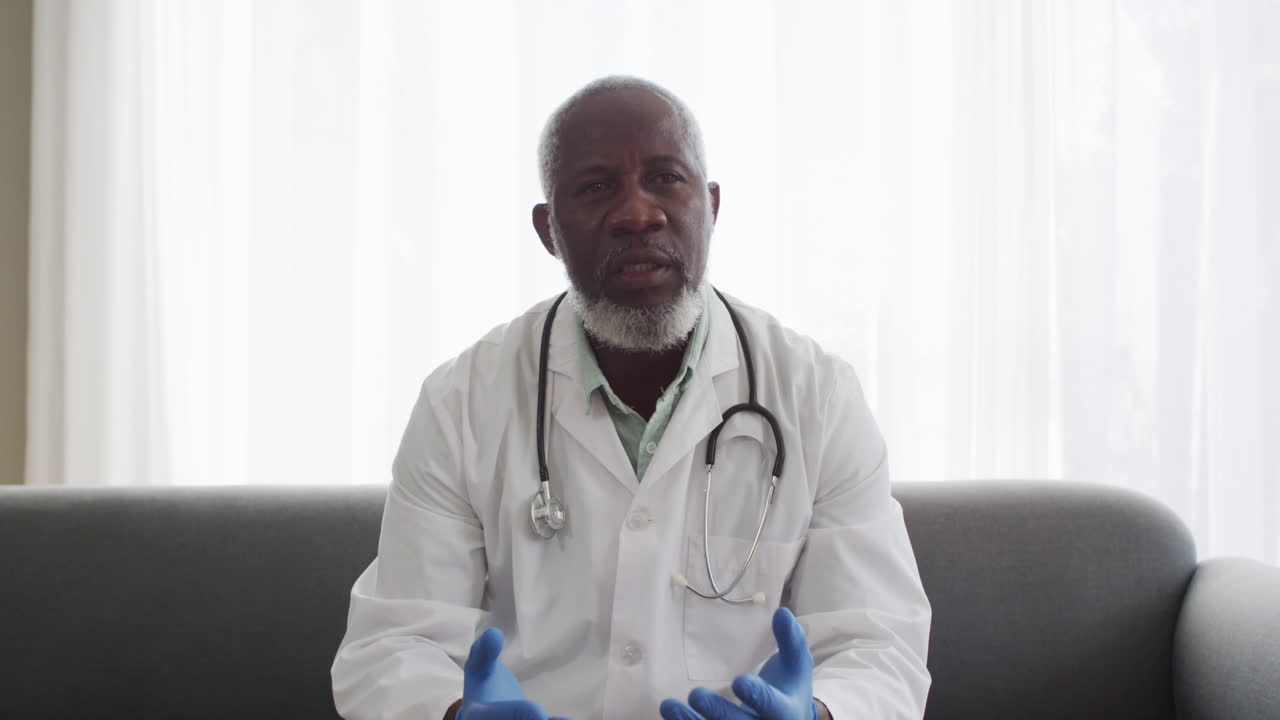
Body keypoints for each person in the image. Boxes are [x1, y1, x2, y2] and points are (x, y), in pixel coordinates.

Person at [331, 76, 931, 720]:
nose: (638, 214)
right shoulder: (462, 402)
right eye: (595, 188)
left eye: (667, 178)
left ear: (712, 205)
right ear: (548, 230)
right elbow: (397, 642)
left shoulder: (818, 397)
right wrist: (452, 714)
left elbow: (878, 643)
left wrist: (818, 714)